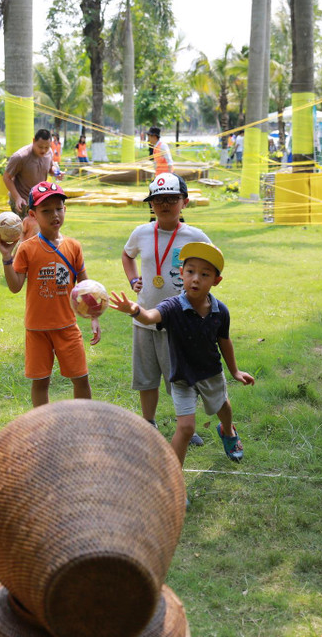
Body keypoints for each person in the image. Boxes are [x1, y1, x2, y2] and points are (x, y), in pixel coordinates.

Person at [110, 242, 255, 470]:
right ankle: (175, 480)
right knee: (186, 428)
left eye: (204, 274)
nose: (196, 278)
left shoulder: (220, 311)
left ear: (216, 281)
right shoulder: (172, 307)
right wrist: (134, 310)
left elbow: (224, 341)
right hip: (182, 377)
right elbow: (149, 317)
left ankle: (228, 431)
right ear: (181, 274)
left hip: (211, 373)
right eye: (190, 271)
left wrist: (234, 371)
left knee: (223, 408)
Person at [122, 173, 211, 447]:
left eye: (172, 199)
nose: (164, 205)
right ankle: (148, 423)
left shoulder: (194, 236)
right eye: (158, 200)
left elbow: (213, 265)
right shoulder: (141, 233)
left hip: (180, 323)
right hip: (144, 319)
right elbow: (128, 254)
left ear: (184, 202)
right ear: (151, 204)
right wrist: (133, 279)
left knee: (181, 378)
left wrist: (199, 294)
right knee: (147, 377)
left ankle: (187, 426)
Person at [0, 181, 101, 408]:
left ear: (65, 210)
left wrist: (94, 317)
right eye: (46, 211)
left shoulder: (73, 246)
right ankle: (42, 428)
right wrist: (6, 257)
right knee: (40, 382)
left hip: (67, 326)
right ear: (32, 215)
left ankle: (85, 422)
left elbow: (86, 288)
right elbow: (15, 286)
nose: (54, 215)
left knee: (80, 378)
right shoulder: (26, 248)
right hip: (37, 330)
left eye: (59, 208)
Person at [3, 129, 62, 216]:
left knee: (40, 228)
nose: (43, 150)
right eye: (40, 147)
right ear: (34, 141)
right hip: (22, 201)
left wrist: (56, 172)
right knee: (26, 228)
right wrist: (17, 198)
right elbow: (6, 177)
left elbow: (50, 167)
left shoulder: (49, 152)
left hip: (38, 199)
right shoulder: (20, 157)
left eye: (46, 147)